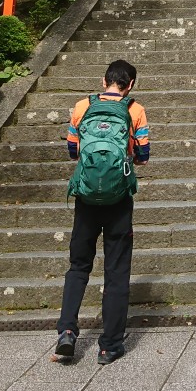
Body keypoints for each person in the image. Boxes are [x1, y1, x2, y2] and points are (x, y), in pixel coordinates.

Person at [54, 58, 149, 366]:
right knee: (117, 271)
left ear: (103, 80)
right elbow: (144, 154)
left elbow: (72, 150)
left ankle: (67, 331)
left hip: (85, 198)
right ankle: (109, 346)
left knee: (79, 265)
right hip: (119, 199)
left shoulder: (82, 106)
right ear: (131, 84)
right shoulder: (135, 109)